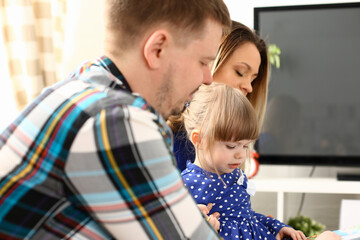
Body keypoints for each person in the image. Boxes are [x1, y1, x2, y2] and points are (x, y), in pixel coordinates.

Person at [0, 0, 231, 239]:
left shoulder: (80, 84)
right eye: (203, 62)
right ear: (157, 49)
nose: (209, 78)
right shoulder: (116, 119)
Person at [181, 82, 307, 240]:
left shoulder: (234, 174)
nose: (240, 155)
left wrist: (276, 226)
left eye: (245, 146)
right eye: (231, 146)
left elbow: (246, 218)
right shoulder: (186, 185)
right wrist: (203, 229)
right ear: (199, 140)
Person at [168, 21, 269, 172]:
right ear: (210, 63)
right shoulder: (173, 143)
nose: (249, 87)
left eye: (253, 79)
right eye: (240, 72)